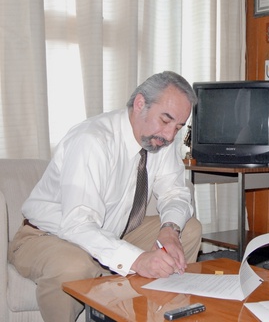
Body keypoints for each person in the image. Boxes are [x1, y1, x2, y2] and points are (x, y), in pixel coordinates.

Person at [8, 71, 202, 322]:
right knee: (74, 265)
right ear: (140, 104)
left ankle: (155, 314)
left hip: (111, 231)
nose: (169, 136)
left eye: (177, 126)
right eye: (165, 120)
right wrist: (137, 260)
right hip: (48, 236)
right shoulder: (92, 140)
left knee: (188, 229)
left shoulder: (158, 141)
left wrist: (170, 229)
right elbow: (78, 225)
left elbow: (175, 192)